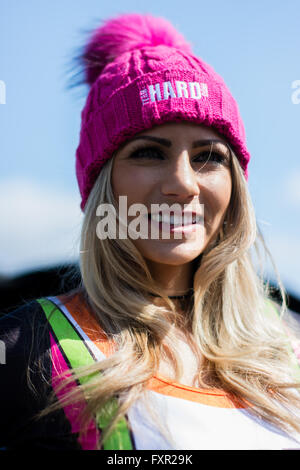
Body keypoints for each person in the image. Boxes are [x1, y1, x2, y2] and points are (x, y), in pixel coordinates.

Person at [1, 12, 300, 451]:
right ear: (103, 184)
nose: (182, 183)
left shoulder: (290, 345)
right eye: (148, 153)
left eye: (209, 156)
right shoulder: (26, 351)